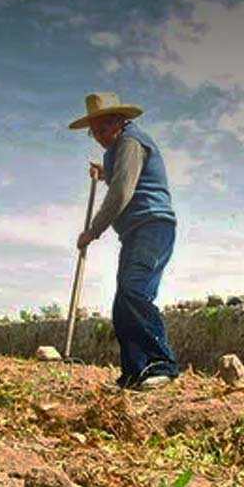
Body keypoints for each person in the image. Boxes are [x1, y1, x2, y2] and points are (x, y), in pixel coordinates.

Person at [69, 92, 179, 390]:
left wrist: (93, 230)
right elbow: (123, 175)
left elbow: (121, 191)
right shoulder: (119, 148)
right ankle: (135, 373)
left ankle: (161, 364)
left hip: (152, 227)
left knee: (134, 293)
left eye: (104, 128)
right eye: (94, 132)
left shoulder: (131, 142)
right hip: (135, 233)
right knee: (123, 304)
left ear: (119, 120)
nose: (99, 137)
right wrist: (105, 172)